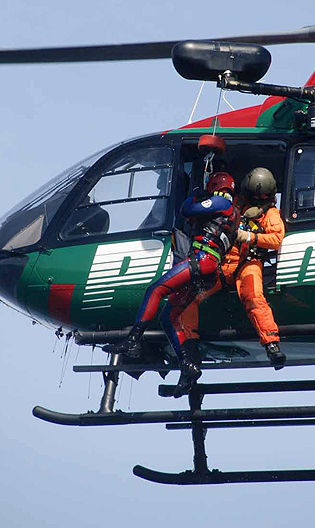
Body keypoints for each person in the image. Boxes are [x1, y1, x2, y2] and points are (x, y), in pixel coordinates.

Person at [112, 170, 240, 397]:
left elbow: (186, 210)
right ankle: (187, 366)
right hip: (208, 267)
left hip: (201, 260)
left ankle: (132, 340)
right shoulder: (234, 213)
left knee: (155, 290)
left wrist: (194, 196)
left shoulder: (221, 202)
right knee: (169, 316)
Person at [175, 167, 286, 372]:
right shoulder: (232, 205)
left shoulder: (270, 214)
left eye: (260, 198)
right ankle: (189, 347)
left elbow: (276, 239)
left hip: (248, 262)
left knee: (253, 296)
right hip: (223, 263)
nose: (256, 201)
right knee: (189, 296)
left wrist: (250, 237)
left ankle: (271, 344)